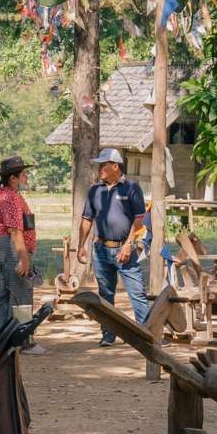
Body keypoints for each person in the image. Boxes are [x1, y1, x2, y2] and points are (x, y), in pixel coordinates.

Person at [76, 148, 151, 347]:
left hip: (124, 250)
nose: (100, 168)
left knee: (137, 292)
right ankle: (108, 335)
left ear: (115, 166)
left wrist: (128, 245)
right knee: (105, 295)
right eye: (99, 165)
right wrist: (81, 245)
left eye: (103, 165)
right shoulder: (95, 190)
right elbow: (86, 220)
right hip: (100, 249)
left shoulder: (132, 188)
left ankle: (148, 334)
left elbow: (139, 220)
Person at [0, 156, 45, 355]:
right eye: (23, 174)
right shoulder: (10, 198)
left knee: (2, 293)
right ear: (13, 178)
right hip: (12, 248)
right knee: (22, 293)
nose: (26, 177)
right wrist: (24, 258)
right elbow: (15, 231)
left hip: (5, 247)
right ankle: (23, 341)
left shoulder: (5, 194)